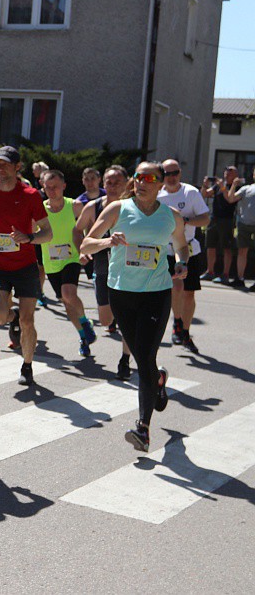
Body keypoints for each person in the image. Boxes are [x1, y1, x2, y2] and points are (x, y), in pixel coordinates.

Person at [81, 162, 188, 452]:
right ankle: (159, 380)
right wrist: (106, 241)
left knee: (144, 359)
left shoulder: (171, 217)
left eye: (149, 178)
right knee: (145, 360)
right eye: (138, 177)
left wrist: (181, 263)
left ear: (161, 183)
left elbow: (181, 245)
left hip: (156, 293)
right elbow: (86, 245)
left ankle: (143, 428)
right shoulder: (117, 209)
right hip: (121, 293)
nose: (142, 183)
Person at [0, 146, 52, 386]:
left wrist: (28, 238)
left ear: (18, 167)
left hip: (25, 265)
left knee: (28, 322)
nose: (0, 168)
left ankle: (27, 366)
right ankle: (13, 316)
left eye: (6, 164)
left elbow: (47, 233)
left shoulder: (30, 195)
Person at [76, 165, 132, 378]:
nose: (112, 186)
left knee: (127, 318)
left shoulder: (135, 208)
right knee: (106, 320)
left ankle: (125, 359)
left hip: (130, 269)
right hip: (103, 266)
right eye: (109, 182)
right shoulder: (94, 207)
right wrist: (81, 251)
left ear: (127, 183)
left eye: (117, 182)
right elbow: (78, 231)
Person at [39, 169, 96, 357]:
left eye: (55, 187)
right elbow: (32, 233)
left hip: (72, 257)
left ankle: (85, 322)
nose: (52, 191)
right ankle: (83, 336)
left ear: (64, 186)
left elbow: (89, 229)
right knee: (66, 301)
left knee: (68, 293)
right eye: (48, 187)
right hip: (51, 262)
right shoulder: (40, 210)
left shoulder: (76, 206)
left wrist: (85, 248)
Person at [157, 159, 209, 352]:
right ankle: (177, 321)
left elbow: (205, 218)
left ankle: (184, 331)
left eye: (175, 173)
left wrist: (186, 220)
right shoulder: (158, 195)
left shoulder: (190, 192)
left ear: (180, 173)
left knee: (189, 294)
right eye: (167, 173)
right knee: (176, 286)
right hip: (167, 250)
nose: (171, 177)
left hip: (189, 249)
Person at [201, 166, 239, 284]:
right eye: (226, 173)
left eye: (230, 174)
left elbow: (229, 199)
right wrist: (205, 185)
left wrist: (223, 187)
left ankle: (226, 274)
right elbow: (205, 194)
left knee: (227, 247)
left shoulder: (236, 187)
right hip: (214, 218)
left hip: (227, 220)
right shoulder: (218, 185)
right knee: (210, 245)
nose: (227, 176)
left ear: (235, 176)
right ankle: (210, 271)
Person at [223, 167, 255, 289]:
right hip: (244, 224)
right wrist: (234, 185)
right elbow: (231, 199)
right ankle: (239, 278)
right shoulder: (246, 188)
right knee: (242, 251)